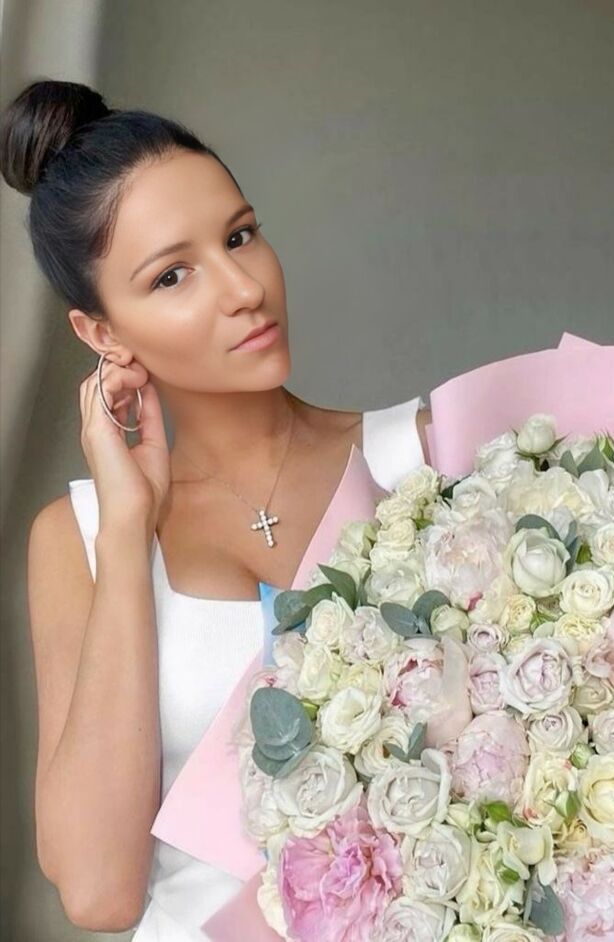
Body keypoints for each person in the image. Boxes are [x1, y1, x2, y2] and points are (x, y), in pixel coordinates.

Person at [1, 79, 431, 938]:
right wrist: (129, 532)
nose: (242, 288)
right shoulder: (80, 538)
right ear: (102, 334)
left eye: (240, 236)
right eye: (173, 275)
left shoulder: (425, 454)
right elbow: (98, 893)